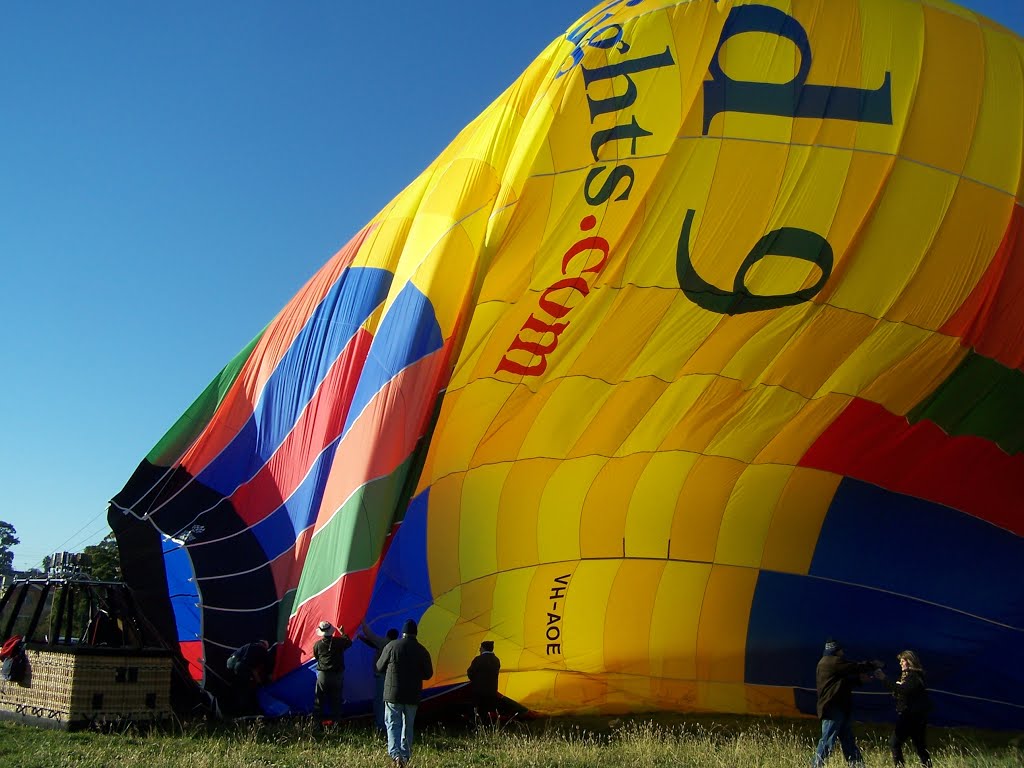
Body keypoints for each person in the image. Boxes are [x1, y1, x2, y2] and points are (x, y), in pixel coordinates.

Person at [812, 639, 882, 768]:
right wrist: (872, 665)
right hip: (833, 707)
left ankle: (857, 765)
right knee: (827, 740)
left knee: (848, 740)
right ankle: (816, 765)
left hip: (840, 708)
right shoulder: (832, 662)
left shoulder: (826, 663)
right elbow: (854, 667)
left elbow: (842, 683)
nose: (843, 653)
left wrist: (859, 680)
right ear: (836, 650)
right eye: (841, 650)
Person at [375, 618, 434, 768]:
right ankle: (405, 756)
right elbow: (428, 674)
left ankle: (395, 755)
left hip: (392, 693)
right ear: (415, 633)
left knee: (393, 724)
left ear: (403, 633)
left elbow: (379, 666)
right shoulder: (421, 650)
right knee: (408, 725)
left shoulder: (391, 646)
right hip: (412, 694)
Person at [876, 650, 932, 767]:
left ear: (910, 662)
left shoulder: (914, 677)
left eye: (903, 661)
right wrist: (897, 691)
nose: (900, 663)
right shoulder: (909, 677)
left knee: (894, 743)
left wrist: (884, 679)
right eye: (900, 661)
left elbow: (903, 690)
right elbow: (904, 693)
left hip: (911, 716)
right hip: (916, 715)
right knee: (920, 746)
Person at [359, 621, 399, 736]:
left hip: (381, 677)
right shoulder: (394, 645)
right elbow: (373, 643)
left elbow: (371, 636)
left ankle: (380, 725)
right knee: (389, 701)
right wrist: (362, 638)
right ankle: (388, 724)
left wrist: (363, 623)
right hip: (391, 677)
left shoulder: (384, 642)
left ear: (387, 635)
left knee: (380, 702)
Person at [312, 620, 352, 726]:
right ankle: (336, 724)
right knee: (336, 700)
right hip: (337, 675)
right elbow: (349, 642)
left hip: (323, 675)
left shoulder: (318, 645)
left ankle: (317, 724)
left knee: (319, 700)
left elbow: (316, 657)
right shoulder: (339, 642)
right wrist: (343, 632)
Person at [226, 639, 271, 716]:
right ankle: (245, 712)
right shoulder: (262, 651)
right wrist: (260, 684)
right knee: (245, 690)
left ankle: (232, 710)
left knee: (237, 689)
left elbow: (232, 660)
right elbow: (254, 670)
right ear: (265, 646)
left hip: (233, 667)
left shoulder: (248, 645)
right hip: (243, 670)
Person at [466, 639, 501, 724]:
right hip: (492, 690)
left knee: (478, 710)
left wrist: (474, 680)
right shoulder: (496, 660)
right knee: (487, 710)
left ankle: (477, 725)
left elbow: (470, 672)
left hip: (479, 690)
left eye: (480, 648)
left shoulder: (478, 659)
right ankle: (487, 725)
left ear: (483, 648)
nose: (479, 649)